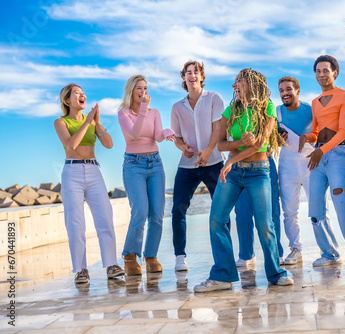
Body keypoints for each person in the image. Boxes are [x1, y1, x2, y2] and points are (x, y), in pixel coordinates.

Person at [194, 68, 293, 292]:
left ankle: (276, 273)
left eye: (238, 82)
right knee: (216, 220)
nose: (234, 87)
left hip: (259, 171)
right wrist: (237, 149)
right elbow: (220, 144)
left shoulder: (267, 107)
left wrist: (230, 160)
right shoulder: (231, 110)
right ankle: (222, 276)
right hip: (234, 173)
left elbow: (260, 144)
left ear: (251, 84)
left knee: (265, 224)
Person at [299, 55, 345, 269]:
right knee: (315, 208)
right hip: (318, 157)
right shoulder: (314, 102)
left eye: (325, 70)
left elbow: (342, 132)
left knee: (341, 204)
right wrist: (308, 138)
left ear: (335, 73)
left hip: (337, 155)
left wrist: (320, 150)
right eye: (318, 71)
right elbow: (315, 131)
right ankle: (329, 253)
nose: (321, 75)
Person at [54, 84, 124, 284]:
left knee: (105, 218)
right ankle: (81, 269)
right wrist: (88, 122)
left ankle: (111, 265)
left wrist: (98, 122)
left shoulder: (92, 122)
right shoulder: (60, 122)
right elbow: (71, 144)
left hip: (94, 170)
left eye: (83, 93)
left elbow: (109, 144)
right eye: (77, 93)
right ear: (67, 100)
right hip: (72, 172)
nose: (82, 95)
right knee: (75, 223)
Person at [170, 60, 226, 271]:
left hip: (213, 163)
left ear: (202, 76)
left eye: (196, 72)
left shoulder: (214, 98)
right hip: (187, 166)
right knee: (178, 210)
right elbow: (177, 137)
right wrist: (183, 148)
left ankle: (223, 254)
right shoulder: (177, 107)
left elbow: (217, 130)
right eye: (188, 73)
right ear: (183, 78)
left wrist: (208, 151)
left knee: (220, 210)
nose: (192, 75)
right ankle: (180, 256)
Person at [118, 75, 175, 276]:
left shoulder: (155, 112)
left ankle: (151, 256)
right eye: (139, 88)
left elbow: (156, 135)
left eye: (145, 88)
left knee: (157, 214)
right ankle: (130, 256)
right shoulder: (123, 113)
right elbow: (133, 134)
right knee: (140, 212)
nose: (143, 92)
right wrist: (143, 109)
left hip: (155, 163)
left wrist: (166, 131)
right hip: (133, 165)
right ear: (131, 91)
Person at [275, 76, 316, 265]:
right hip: (287, 163)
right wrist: (276, 139)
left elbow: (320, 133)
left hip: (309, 160)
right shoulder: (276, 113)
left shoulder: (310, 110)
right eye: (282, 90)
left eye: (288, 89)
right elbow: (270, 141)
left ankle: (328, 250)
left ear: (298, 90)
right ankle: (296, 249)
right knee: (289, 210)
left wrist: (308, 137)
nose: (285, 93)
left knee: (317, 206)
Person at [234, 154, 283, 267]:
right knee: (242, 212)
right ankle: (246, 255)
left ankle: (276, 254)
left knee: (271, 213)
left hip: (265, 160)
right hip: (240, 163)